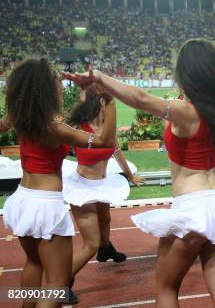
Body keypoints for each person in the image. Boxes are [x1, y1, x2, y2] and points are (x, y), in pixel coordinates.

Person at [64, 39, 215, 307]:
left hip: (192, 209)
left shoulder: (187, 111)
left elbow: (141, 99)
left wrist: (101, 78)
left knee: (166, 290)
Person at [2, 59, 116, 308]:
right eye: (56, 80)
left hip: (22, 198)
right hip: (45, 205)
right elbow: (106, 141)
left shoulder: (22, 117)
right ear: (45, 87)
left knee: (33, 263)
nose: (60, 85)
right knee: (58, 282)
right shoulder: (55, 128)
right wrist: (109, 100)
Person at [62, 85, 145, 304]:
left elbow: (116, 150)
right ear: (99, 102)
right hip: (81, 187)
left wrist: (130, 175)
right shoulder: (79, 127)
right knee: (90, 243)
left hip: (102, 184)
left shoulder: (107, 127)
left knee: (106, 220)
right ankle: (62, 283)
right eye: (105, 100)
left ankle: (105, 250)